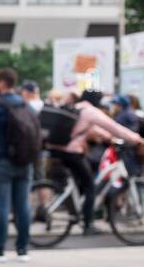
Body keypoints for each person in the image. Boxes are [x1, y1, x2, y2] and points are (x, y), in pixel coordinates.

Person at [45, 89, 144, 235]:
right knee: (90, 186)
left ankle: (77, 210)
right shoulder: (91, 111)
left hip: (58, 150)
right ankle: (88, 224)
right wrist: (136, 139)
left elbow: (94, 130)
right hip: (71, 153)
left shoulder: (77, 108)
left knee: (83, 183)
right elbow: (113, 127)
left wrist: (108, 138)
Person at [0, 68, 41, 261]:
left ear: (2, 84)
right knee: (22, 206)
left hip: (2, 161)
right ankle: (22, 249)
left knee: (2, 207)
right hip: (25, 162)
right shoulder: (26, 106)